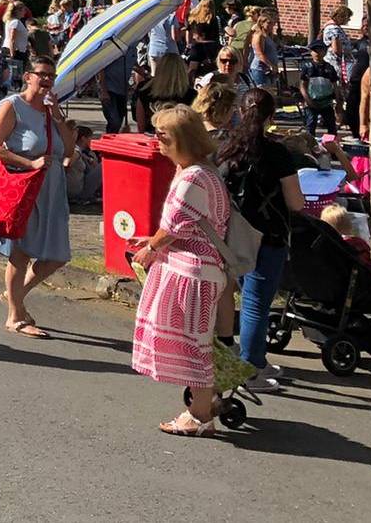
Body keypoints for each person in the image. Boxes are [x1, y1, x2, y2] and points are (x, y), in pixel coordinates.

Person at [127, 107, 231, 436]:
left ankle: (199, 416)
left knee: (193, 346)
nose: (157, 140)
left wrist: (151, 248)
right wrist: (154, 241)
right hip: (200, 269)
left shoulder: (193, 177)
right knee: (196, 343)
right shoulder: (200, 171)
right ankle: (202, 407)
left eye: (163, 135)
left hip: (194, 273)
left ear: (181, 140)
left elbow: (174, 226)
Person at [216, 87, 304, 393]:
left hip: (232, 234)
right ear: (270, 117)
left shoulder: (225, 148)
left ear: (240, 111)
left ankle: (254, 360)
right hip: (268, 236)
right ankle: (250, 369)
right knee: (256, 304)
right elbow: (295, 202)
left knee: (246, 296)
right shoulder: (277, 153)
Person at [0, 59, 74, 339]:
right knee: (20, 254)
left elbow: (69, 150)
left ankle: (15, 295)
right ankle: (15, 315)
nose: (47, 80)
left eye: (51, 76)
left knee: (57, 255)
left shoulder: (51, 110)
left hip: (52, 189)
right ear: (28, 76)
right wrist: (29, 163)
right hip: (25, 187)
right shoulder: (14, 106)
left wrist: (57, 116)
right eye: (41, 74)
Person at [134, 53, 196, 133]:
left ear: (159, 69)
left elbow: (140, 124)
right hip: (180, 138)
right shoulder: (190, 94)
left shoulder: (144, 89)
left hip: (151, 136)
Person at [247, 7, 281, 89]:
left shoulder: (268, 35)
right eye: (268, 23)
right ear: (262, 23)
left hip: (268, 70)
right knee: (262, 90)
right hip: (259, 69)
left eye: (272, 23)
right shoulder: (259, 35)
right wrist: (271, 66)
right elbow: (259, 54)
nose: (271, 25)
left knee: (271, 91)